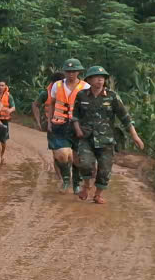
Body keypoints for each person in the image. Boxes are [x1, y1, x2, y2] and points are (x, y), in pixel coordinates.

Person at [72, 65, 145, 204]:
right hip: (86, 137)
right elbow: (74, 115)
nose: (100, 80)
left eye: (102, 78)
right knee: (85, 163)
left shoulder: (112, 96)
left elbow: (125, 118)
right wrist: (78, 130)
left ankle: (98, 194)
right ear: (89, 80)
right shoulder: (81, 95)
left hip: (106, 139)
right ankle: (86, 186)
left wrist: (135, 136)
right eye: (96, 78)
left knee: (105, 169)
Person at [45, 58, 89, 194]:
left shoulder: (86, 87)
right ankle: (65, 179)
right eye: (68, 71)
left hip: (77, 126)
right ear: (64, 72)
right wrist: (49, 120)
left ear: (78, 72)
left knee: (77, 157)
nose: (71, 74)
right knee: (62, 155)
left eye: (74, 71)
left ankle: (76, 183)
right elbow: (51, 103)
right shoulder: (57, 85)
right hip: (59, 124)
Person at [0, 80, 14, 166]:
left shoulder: (9, 96)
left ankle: (1, 156)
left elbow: (13, 107)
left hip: (5, 119)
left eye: (2, 85)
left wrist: (10, 110)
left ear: (5, 86)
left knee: (4, 140)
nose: (0, 87)